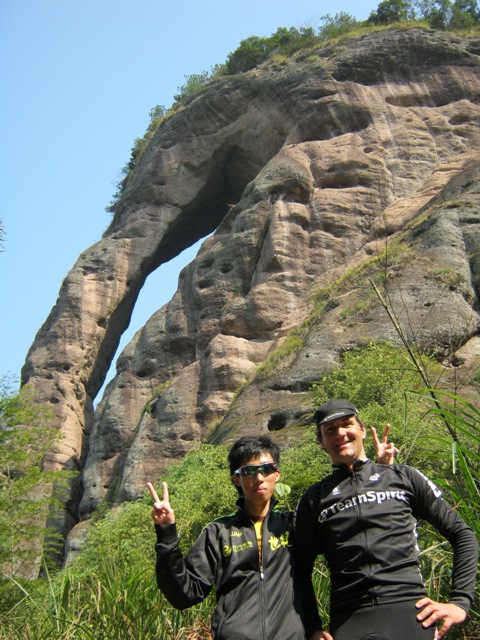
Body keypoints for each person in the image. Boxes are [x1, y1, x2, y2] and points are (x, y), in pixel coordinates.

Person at [294, 398, 479, 640]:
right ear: (320, 442)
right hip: (350, 620)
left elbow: (462, 534)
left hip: (410, 612)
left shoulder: (403, 477)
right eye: (330, 430)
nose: (340, 433)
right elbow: (299, 569)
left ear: (362, 429)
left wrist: (459, 602)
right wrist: (312, 628)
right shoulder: (313, 499)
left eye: (347, 424)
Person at [146, 435, 306, 640]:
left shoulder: (293, 526)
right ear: (236, 479)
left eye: (266, 469)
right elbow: (184, 594)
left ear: (277, 474)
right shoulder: (219, 532)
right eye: (249, 471)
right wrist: (166, 534)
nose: (259, 478)